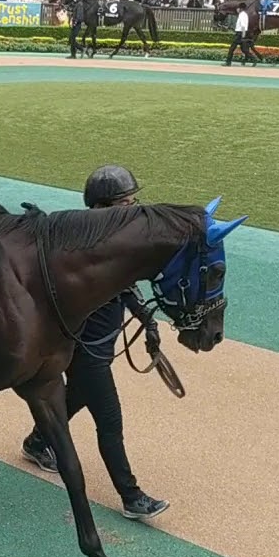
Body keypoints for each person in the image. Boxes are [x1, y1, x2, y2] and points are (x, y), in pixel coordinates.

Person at [20, 165, 170, 522]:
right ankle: (132, 497)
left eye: (135, 200)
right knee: (110, 421)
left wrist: (148, 321)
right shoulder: (86, 250)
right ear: (102, 208)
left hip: (98, 349)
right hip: (88, 354)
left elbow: (127, 286)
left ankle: (37, 442)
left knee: (75, 400)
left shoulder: (112, 243)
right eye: (126, 202)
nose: (134, 208)